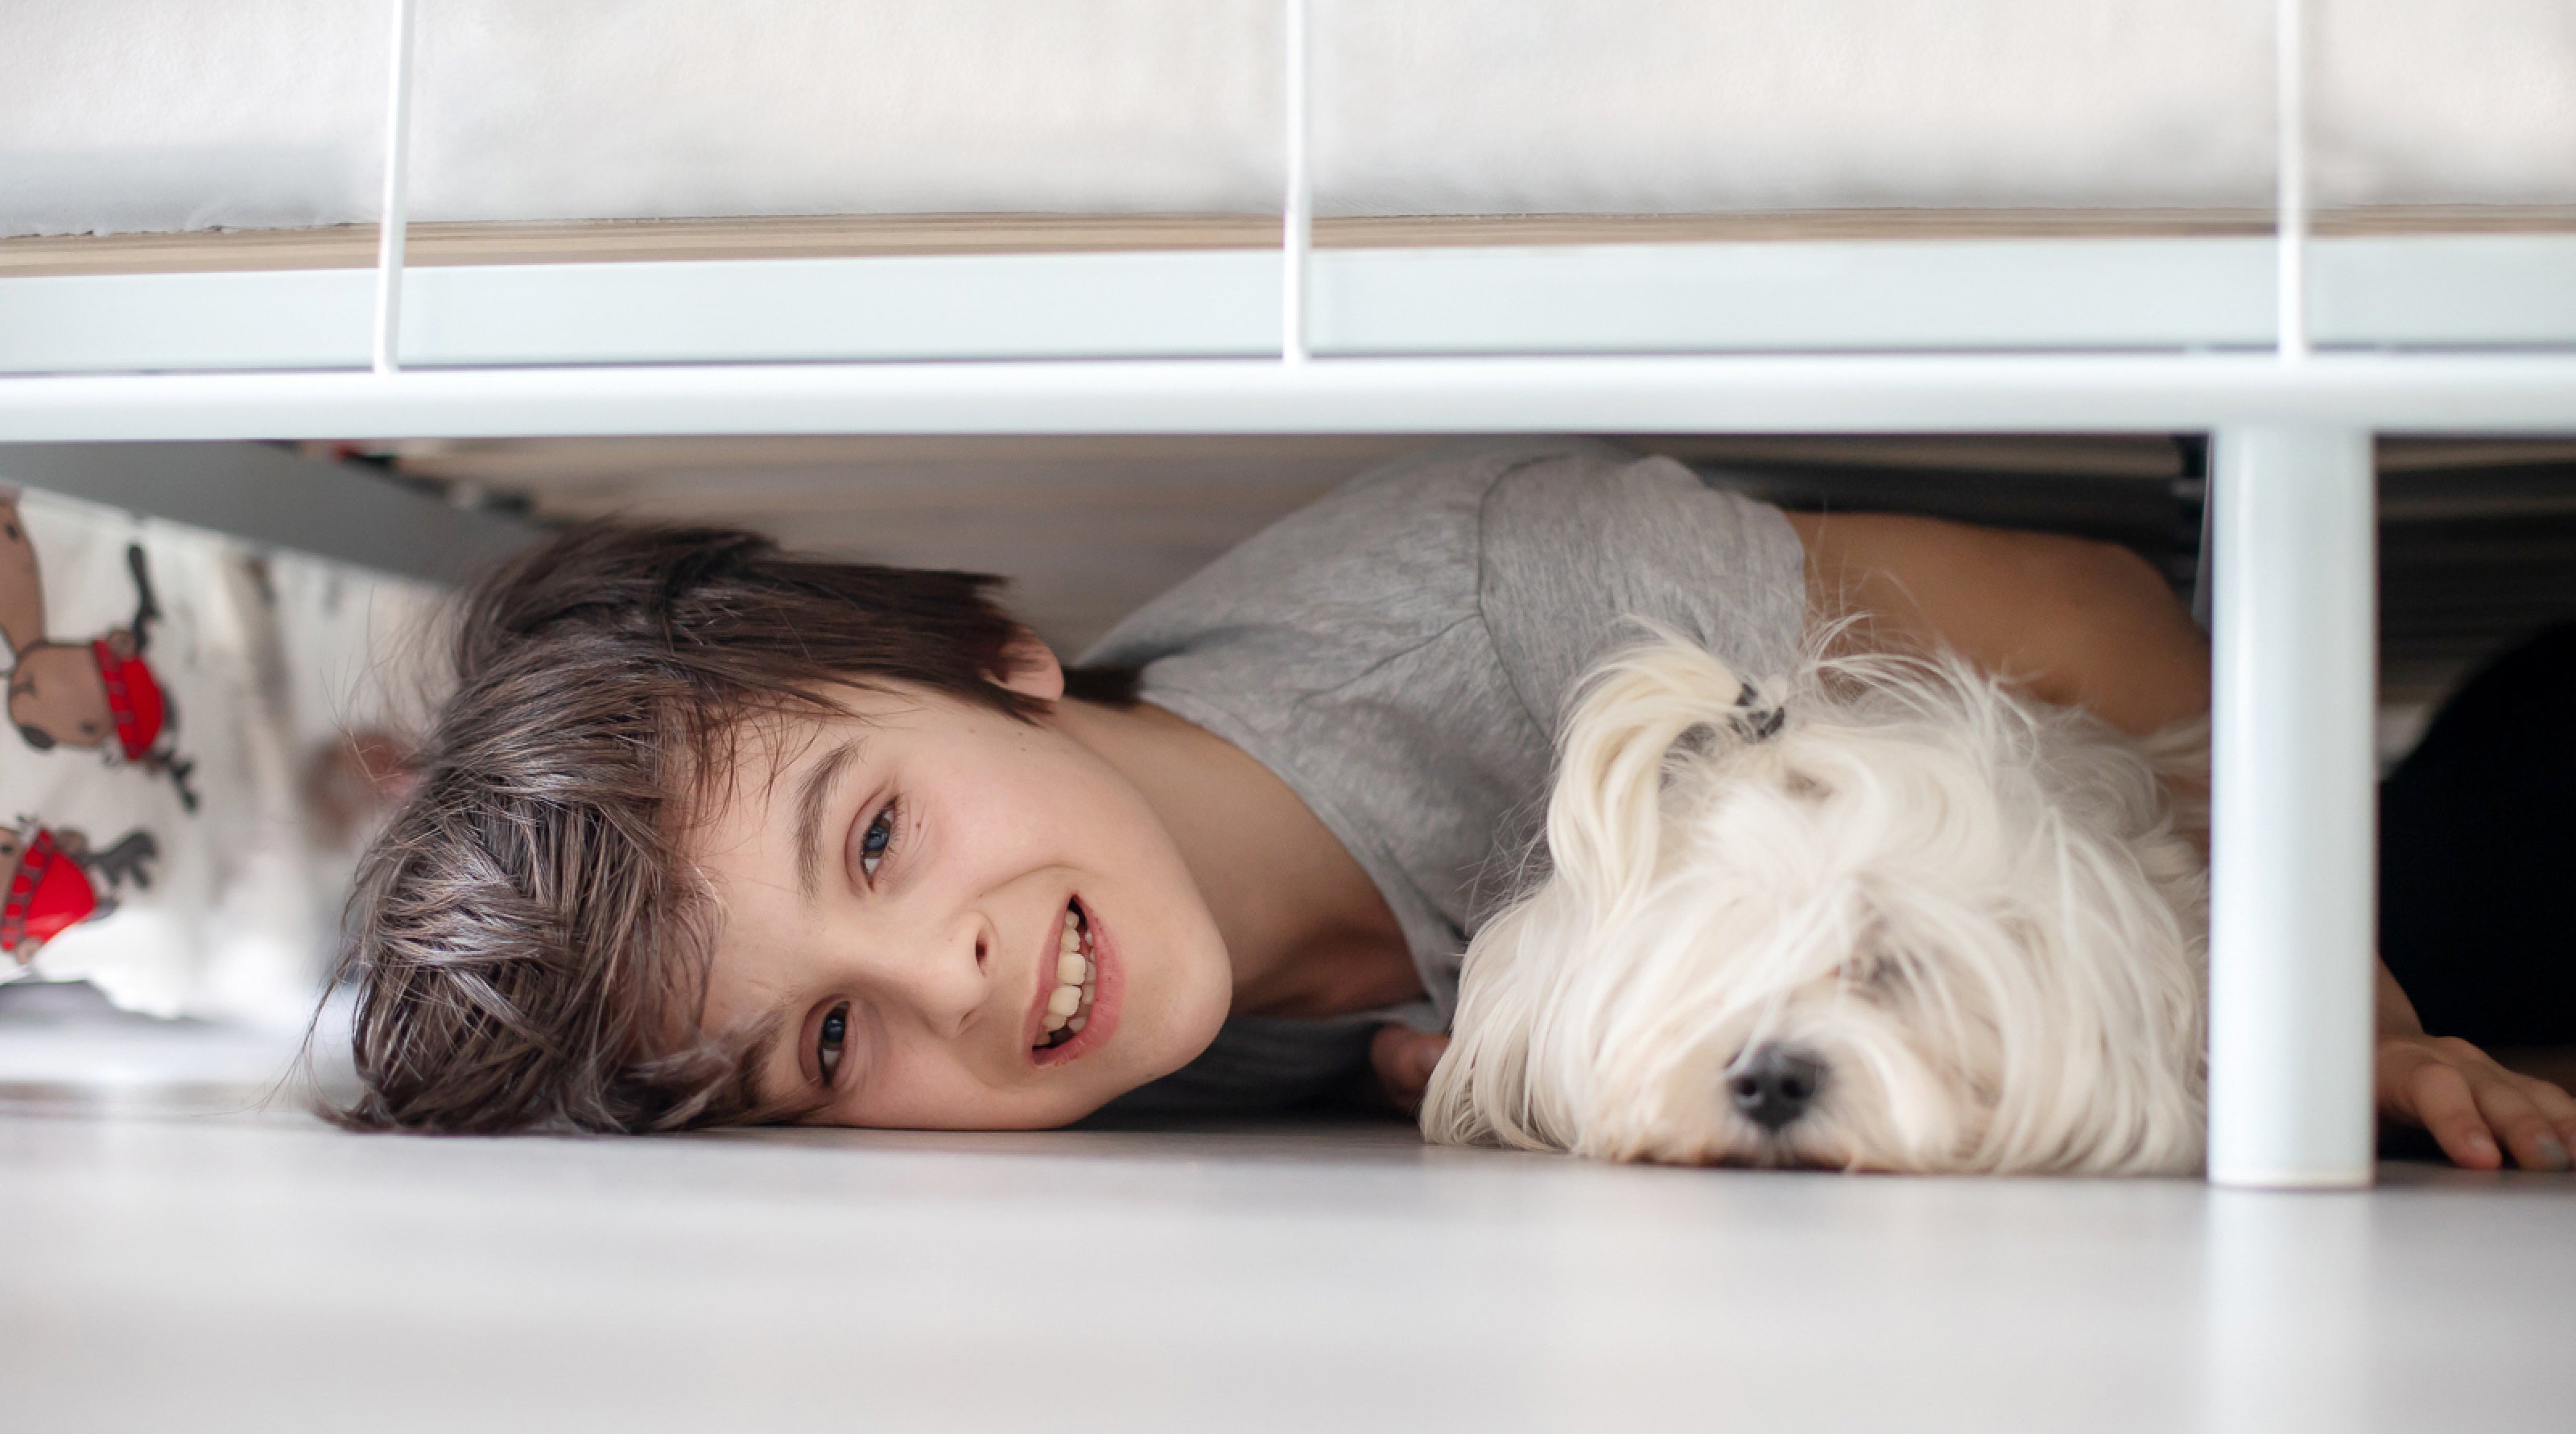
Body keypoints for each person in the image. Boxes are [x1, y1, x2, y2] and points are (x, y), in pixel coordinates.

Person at [331, 440, 2576, 1171]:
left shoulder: (1520, 600)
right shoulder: (1090, 1065)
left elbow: (2106, 624)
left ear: (1002, 659)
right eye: (833, 1044)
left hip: (2245, 823)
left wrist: (2339, 1021)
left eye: (877, 838)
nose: (951, 976)